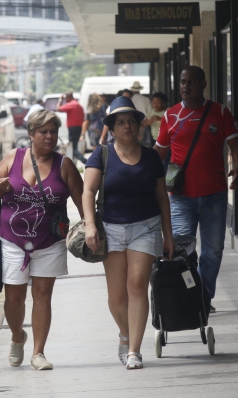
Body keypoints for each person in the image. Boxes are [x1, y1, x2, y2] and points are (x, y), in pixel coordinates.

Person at [0, 110, 84, 370]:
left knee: (43, 295)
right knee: (14, 298)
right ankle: (18, 336)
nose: (49, 136)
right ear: (31, 134)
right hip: (12, 241)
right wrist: (1, 188)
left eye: (53, 131)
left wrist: (91, 227)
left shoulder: (64, 165)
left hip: (49, 241)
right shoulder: (13, 157)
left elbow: (81, 198)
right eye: (43, 132)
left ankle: (38, 353)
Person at [83, 96, 174, 370]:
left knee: (136, 285)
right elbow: (88, 191)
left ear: (139, 126)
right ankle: (125, 332)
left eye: (131, 121)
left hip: (145, 228)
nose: (127, 127)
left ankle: (134, 350)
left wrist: (168, 235)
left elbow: (162, 198)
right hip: (110, 229)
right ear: (111, 128)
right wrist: (89, 224)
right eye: (120, 122)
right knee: (117, 296)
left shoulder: (150, 158)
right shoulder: (101, 154)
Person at [154, 66, 238, 311]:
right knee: (181, 251)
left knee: (212, 252)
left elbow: (235, 143)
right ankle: (187, 297)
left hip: (215, 195)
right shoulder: (170, 116)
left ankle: (203, 298)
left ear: (203, 84)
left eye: (192, 82)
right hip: (181, 197)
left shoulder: (220, 112)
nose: (186, 86)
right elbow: (157, 153)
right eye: (183, 82)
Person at [56, 92, 87, 165]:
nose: (65, 100)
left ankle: (85, 161)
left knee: (73, 148)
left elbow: (58, 108)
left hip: (72, 128)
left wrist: (60, 99)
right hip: (79, 127)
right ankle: (73, 163)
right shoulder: (79, 105)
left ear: (68, 97)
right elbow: (83, 118)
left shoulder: (71, 105)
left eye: (66, 98)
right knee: (74, 146)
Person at [129, 81, 153, 147]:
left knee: (135, 143)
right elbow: (150, 112)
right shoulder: (146, 99)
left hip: (134, 123)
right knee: (146, 143)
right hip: (145, 123)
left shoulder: (130, 100)